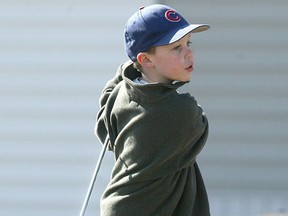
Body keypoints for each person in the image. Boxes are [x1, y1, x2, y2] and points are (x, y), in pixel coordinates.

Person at [95, 4, 210, 216]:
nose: (188, 53)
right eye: (176, 47)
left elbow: (105, 118)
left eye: (188, 43)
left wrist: (129, 68)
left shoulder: (120, 97)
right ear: (146, 60)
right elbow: (200, 125)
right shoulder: (181, 111)